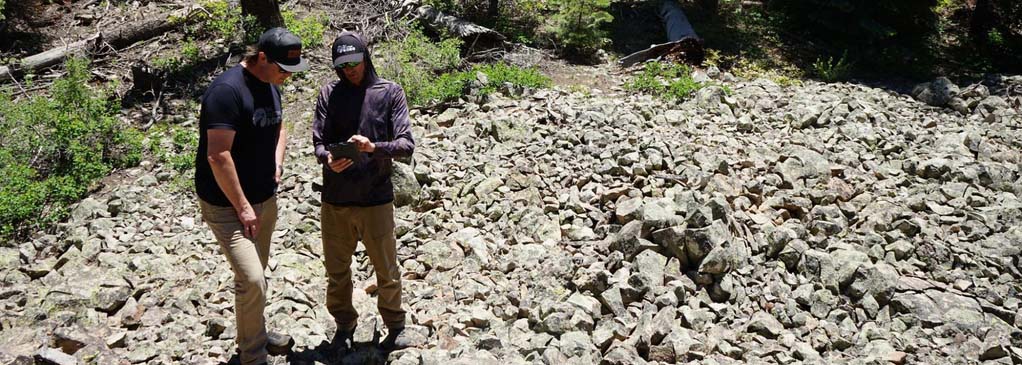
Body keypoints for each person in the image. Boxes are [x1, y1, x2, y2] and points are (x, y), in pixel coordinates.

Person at [194, 27, 309, 365]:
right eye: (282, 69)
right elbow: (218, 155)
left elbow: (280, 127)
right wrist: (243, 208)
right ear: (261, 57)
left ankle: (253, 333)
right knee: (253, 278)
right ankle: (253, 356)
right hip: (227, 204)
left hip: (264, 197)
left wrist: (277, 162)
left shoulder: (272, 85)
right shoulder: (226, 92)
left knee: (254, 277)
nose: (287, 76)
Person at [311, 31, 415, 352]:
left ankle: (395, 325)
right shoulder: (329, 93)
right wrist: (328, 158)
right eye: (342, 65)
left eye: (354, 63)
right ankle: (344, 325)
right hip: (336, 200)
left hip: (376, 198)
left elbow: (406, 144)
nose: (350, 70)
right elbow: (317, 143)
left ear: (366, 58)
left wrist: (373, 147)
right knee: (337, 271)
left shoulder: (389, 93)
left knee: (386, 270)